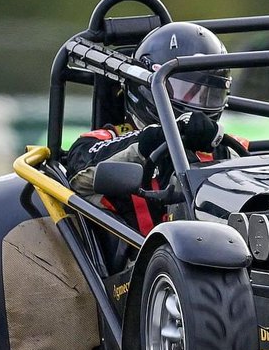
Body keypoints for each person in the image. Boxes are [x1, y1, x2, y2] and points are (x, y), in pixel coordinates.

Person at [65, 21, 234, 235]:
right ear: (147, 87)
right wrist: (154, 140)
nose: (197, 105)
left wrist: (216, 146)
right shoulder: (103, 140)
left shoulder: (221, 145)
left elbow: (253, 174)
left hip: (217, 248)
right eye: (185, 90)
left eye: (207, 94)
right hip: (137, 251)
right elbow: (78, 173)